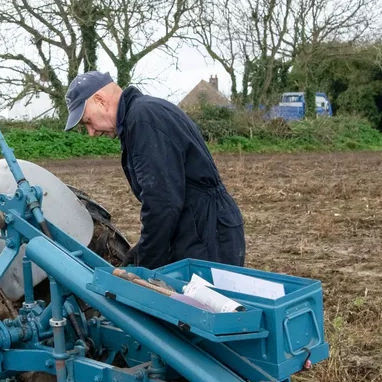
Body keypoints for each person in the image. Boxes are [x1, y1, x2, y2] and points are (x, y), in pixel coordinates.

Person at [63, 71, 245, 269]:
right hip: (197, 225)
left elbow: (163, 203)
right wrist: (141, 250)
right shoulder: (143, 114)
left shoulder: (143, 119)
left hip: (207, 233)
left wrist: (147, 267)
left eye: (88, 121)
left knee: (203, 299)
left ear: (100, 100)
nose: (91, 132)